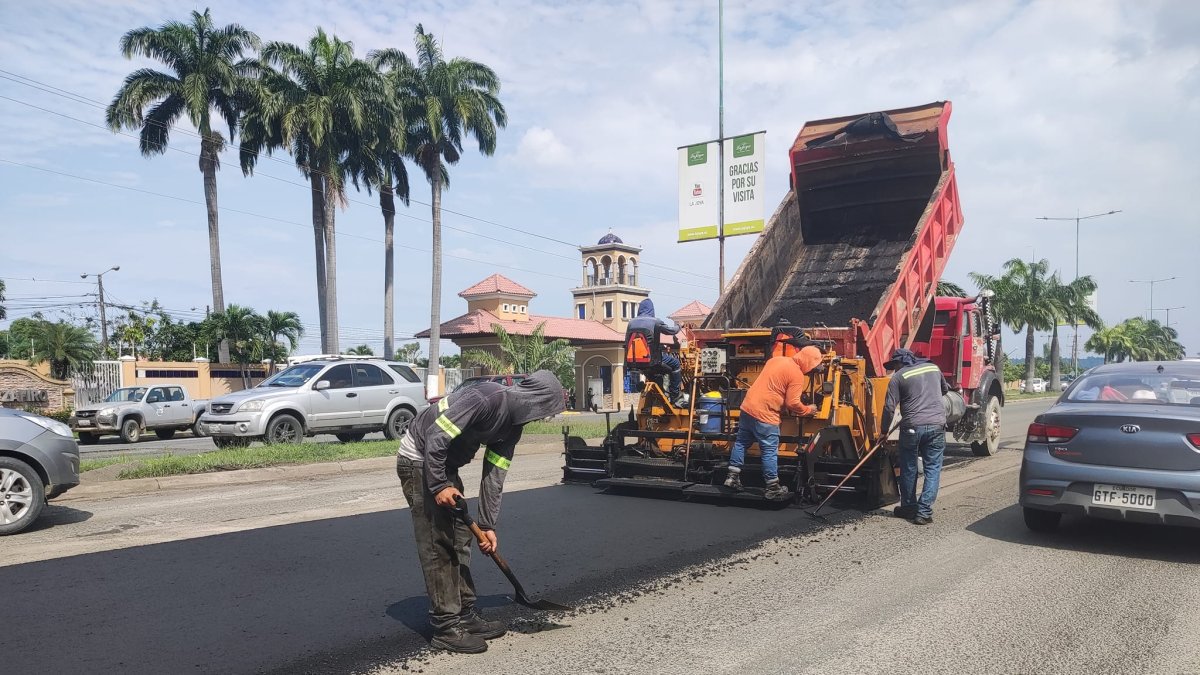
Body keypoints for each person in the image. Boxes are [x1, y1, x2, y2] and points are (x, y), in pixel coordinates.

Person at [395, 370, 565, 653]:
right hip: (420, 460)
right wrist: (438, 486)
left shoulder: (513, 427)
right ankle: (445, 626)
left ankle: (464, 613)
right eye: (545, 411)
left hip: (444, 467)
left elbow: (494, 475)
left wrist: (487, 525)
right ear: (535, 401)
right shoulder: (486, 398)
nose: (541, 419)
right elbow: (436, 434)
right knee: (439, 543)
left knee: (461, 538)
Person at [724, 345, 824, 499]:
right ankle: (772, 487)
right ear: (809, 362)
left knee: (741, 442)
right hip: (766, 414)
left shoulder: (776, 360)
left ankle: (732, 477)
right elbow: (793, 403)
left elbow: (773, 385)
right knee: (769, 450)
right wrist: (807, 410)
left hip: (747, 407)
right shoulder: (797, 374)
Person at [881, 348, 952, 526]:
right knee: (932, 469)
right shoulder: (933, 368)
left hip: (911, 428)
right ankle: (924, 512)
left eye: (895, 365)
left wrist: (883, 431)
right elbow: (944, 390)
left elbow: (889, 408)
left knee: (909, 468)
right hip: (936, 426)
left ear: (900, 362)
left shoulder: (898, 377)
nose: (895, 369)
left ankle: (909, 507)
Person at [624, 298, 684, 405]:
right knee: (675, 364)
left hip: (635, 362)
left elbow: (627, 342)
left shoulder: (631, 323)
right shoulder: (655, 321)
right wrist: (679, 325)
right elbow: (672, 331)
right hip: (652, 360)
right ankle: (675, 396)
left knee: (657, 374)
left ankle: (659, 395)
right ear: (652, 310)